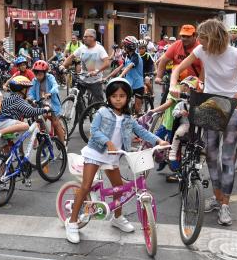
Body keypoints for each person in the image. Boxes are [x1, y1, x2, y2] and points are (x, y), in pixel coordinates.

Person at [170, 19, 237, 226]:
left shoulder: (236, 54)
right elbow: (177, 69)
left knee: (228, 159)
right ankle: (218, 198)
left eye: (202, 37)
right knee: (211, 156)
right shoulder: (202, 50)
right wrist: (174, 84)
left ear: (213, 37)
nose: (198, 41)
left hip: (232, 109)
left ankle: (225, 206)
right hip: (210, 106)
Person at [64, 78, 169, 244]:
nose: (118, 99)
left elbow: (142, 131)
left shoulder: (128, 118)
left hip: (112, 156)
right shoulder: (102, 112)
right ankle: (72, 222)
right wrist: (108, 142)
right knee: (85, 186)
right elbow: (94, 131)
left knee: (118, 188)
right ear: (109, 97)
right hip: (96, 153)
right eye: (114, 96)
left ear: (128, 98)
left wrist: (158, 141)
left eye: (122, 95)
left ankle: (117, 217)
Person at [0, 76, 50, 145]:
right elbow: (31, 111)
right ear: (23, 89)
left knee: (7, 150)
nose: (28, 92)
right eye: (27, 89)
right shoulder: (18, 99)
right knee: (26, 126)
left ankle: (5, 154)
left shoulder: (9, 98)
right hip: (5, 123)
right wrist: (44, 109)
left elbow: (25, 113)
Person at [62, 29, 109, 104]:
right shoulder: (82, 48)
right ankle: (80, 113)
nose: (83, 38)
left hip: (95, 81)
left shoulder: (99, 48)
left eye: (86, 37)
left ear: (93, 38)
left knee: (98, 104)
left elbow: (107, 63)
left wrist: (97, 71)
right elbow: (70, 57)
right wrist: (63, 66)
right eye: (84, 37)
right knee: (76, 99)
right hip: (83, 80)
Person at [29, 60, 65, 144]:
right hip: (41, 103)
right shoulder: (34, 81)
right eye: (36, 73)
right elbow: (31, 92)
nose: (38, 76)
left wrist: (50, 93)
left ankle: (63, 145)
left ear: (45, 73)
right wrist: (30, 98)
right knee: (41, 122)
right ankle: (43, 143)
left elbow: (55, 86)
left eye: (40, 74)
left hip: (52, 103)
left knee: (55, 123)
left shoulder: (50, 77)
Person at [107, 36, 144, 114]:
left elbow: (128, 67)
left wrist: (120, 76)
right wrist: (107, 77)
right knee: (123, 103)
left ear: (128, 47)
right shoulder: (127, 57)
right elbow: (118, 68)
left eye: (125, 45)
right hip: (129, 84)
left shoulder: (136, 57)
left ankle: (139, 120)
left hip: (138, 85)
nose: (123, 47)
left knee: (137, 109)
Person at [168, 76, 199, 164]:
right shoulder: (182, 104)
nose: (185, 89)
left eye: (188, 88)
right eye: (184, 87)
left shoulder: (199, 104)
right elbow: (174, 113)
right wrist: (181, 112)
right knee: (178, 133)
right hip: (186, 124)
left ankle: (200, 153)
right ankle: (173, 151)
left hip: (197, 125)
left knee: (203, 136)